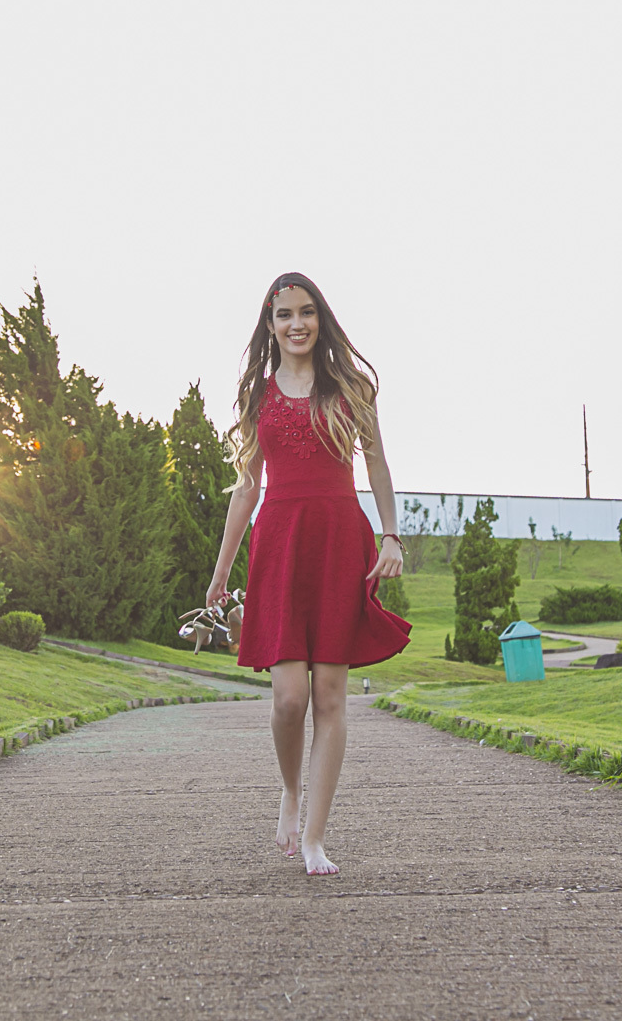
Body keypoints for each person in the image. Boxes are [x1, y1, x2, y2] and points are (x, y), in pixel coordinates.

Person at [206, 273, 411, 876]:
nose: (296, 324)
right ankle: (290, 791)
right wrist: (221, 573)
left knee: (329, 696)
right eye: (284, 315)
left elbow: (377, 464)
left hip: (340, 542)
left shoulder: (351, 388)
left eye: (306, 312)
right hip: (280, 546)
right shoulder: (257, 396)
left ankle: (315, 838)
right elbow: (246, 488)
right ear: (270, 327)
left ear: (321, 319)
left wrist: (392, 535)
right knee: (289, 697)